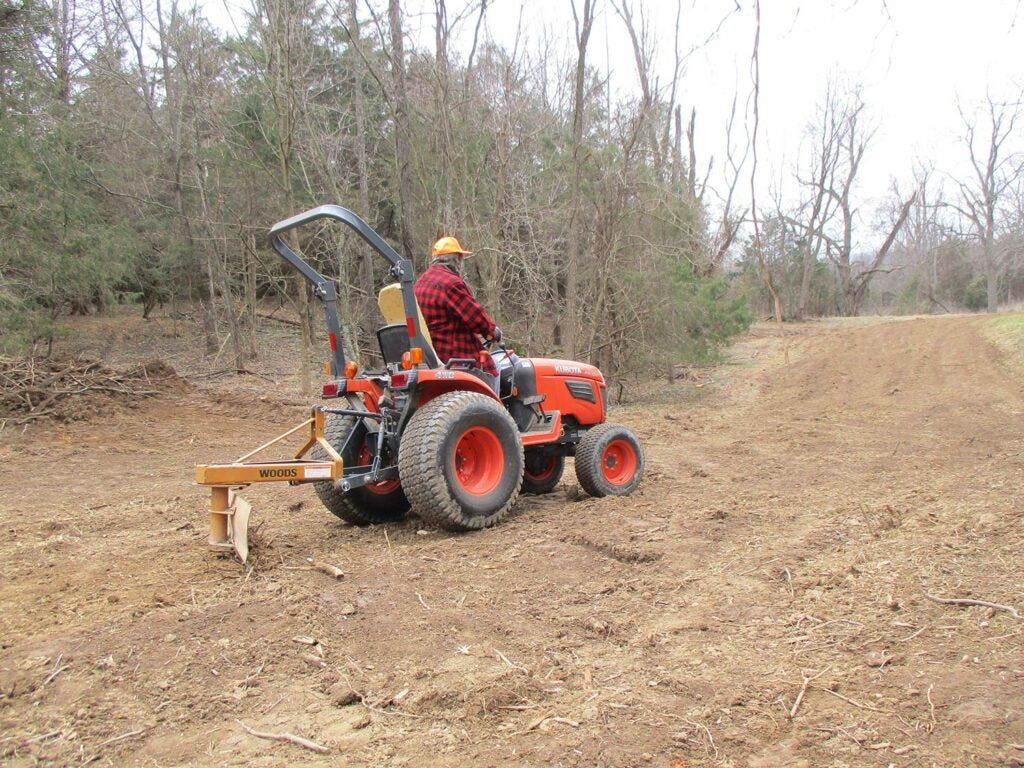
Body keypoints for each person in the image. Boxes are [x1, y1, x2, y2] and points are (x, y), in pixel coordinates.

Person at [414, 236, 501, 376]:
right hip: (455, 356)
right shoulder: (451, 283)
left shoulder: (419, 283)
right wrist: (492, 332)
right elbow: (475, 317)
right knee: (495, 371)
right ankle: (496, 399)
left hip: (432, 355)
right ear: (457, 259)